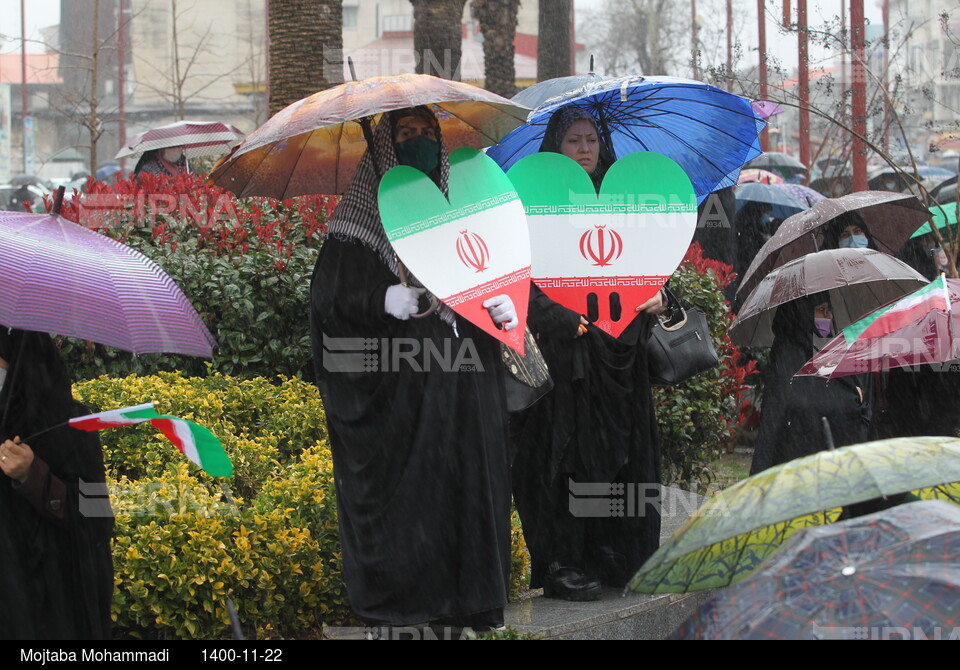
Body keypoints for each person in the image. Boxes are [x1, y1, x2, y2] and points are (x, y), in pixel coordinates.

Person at [309, 107, 517, 630]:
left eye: (428, 134)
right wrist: (381, 298)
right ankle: (409, 602)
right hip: (398, 393)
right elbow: (327, 300)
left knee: (467, 484)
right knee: (412, 495)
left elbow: (494, 267)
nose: (419, 142)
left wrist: (501, 305)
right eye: (405, 135)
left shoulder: (464, 209)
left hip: (464, 384)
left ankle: (470, 597)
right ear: (384, 147)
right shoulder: (357, 222)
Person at [511, 106, 664, 601]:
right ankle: (563, 560)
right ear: (555, 147)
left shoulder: (623, 205)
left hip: (622, 356)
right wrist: (563, 319)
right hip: (567, 360)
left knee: (622, 456)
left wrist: (661, 298)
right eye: (573, 139)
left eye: (591, 139)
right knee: (566, 459)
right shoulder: (532, 210)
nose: (583, 148)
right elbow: (521, 282)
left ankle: (614, 553)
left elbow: (649, 266)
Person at [0, 328, 114, 639]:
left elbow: (97, 518)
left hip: (51, 605)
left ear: (20, 361)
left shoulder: (72, 423)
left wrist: (32, 475)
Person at [750, 295, 868, 474]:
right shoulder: (787, 357)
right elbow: (773, 422)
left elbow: (854, 401)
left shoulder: (831, 351)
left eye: (829, 310)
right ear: (802, 313)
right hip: (795, 467)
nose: (828, 317)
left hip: (833, 468)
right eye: (821, 310)